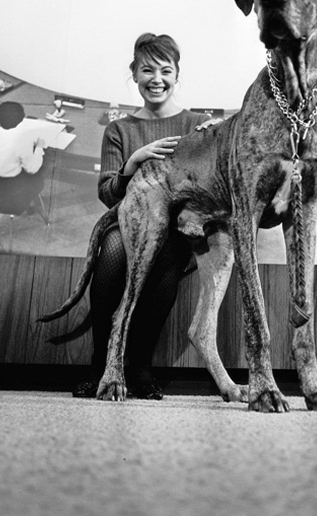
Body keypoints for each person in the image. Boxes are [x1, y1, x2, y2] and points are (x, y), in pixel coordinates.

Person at [73, 33, 214, 400]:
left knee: (164, 254)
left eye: (166, 71)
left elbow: (208, 182)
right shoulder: (119, 129)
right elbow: (107, 195)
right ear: (133, 74)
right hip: (128, 221)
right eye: (147, 70)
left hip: (176, 227)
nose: (157, 79)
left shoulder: (195, 123)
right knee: (114, 252)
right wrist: (134, 161)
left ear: (176, 76)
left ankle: (139, 366)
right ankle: (102, 363)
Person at [0, 101, 45, 187]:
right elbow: (32, 169)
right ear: (21, 119)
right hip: (9, 187)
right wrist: (39, 147)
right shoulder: (22, 141)